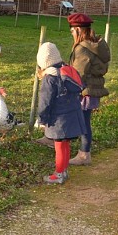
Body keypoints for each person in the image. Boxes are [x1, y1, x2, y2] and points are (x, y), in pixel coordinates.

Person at [36, 42, 87, 184]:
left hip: (58, 118)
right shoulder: (68, 70)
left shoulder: (49, 78)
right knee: (65, 144)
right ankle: (64, 171)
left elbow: (45, 101)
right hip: (72, 114)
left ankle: (58, 174)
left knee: (59, 146)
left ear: (43, 62)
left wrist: (41, 119)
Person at [65, 12, 110, 166]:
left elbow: (78, 74)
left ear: (78, 30)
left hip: (84, 91)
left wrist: (68, 86)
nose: (71, 34)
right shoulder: (95, 45)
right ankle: (82, 151)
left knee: (82, 122)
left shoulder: (82, 49)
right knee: (83, 121)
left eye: (72, 31)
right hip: (91, 89)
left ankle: (84, 154)